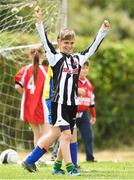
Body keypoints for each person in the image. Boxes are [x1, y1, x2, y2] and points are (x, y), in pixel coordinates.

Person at [21, 5, 110, 176]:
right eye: (65, 43)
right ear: (59, 43)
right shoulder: (55, 58)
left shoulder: (78, 59)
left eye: (71, 43)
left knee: (59, 134)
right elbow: (44, 41)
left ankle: (32, 161)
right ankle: (70, 168)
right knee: (67, 135)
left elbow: (93, 48)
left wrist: (103, 31)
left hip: (71, 105)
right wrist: (39, 22)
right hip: (59, 103)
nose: (68, 46)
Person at [14, 47, 50, 150]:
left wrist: (27, 95)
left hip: (28, 106)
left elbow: (17, 86)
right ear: (43, 56)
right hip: (42, 106)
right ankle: (39, 158)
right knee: (48, 135)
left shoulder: (24, 70)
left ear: (30, 56)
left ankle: (37, 159)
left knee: (37, 134)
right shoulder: (46, 70)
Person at [76, 61, 96, 163]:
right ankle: (55, 156)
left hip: (84, 114)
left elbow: (91, 102)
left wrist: (93, 116)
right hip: (72, 113)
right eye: (81, 68)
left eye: (86, 68)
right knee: (66, 135)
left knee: (88, 136)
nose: (84, 70)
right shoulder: (73, 81)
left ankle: (90, 158)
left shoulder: (89, 84)